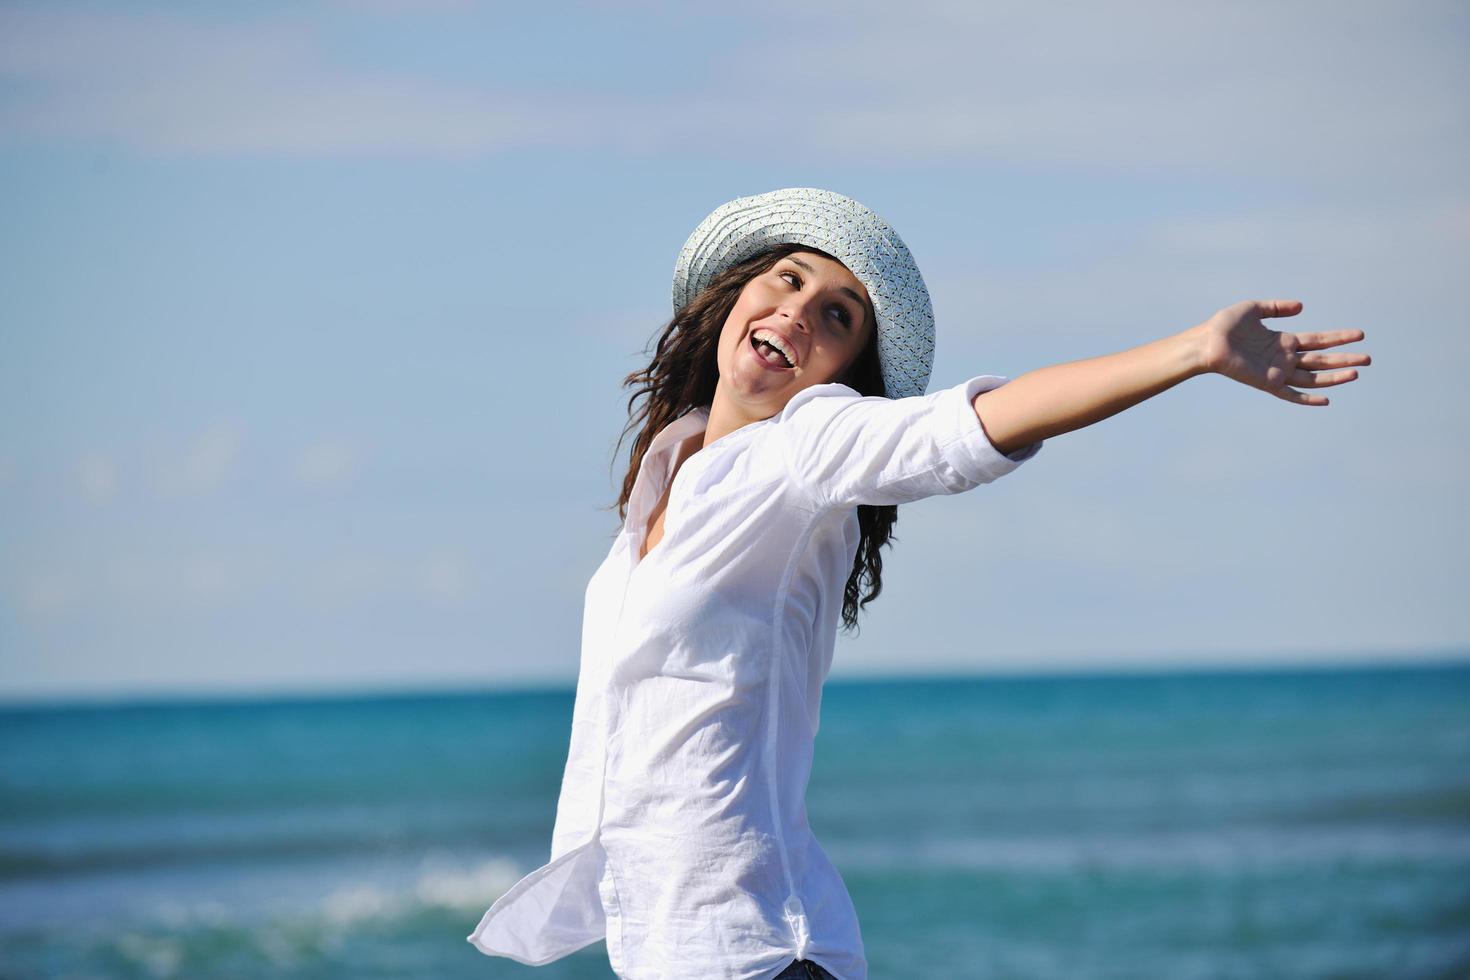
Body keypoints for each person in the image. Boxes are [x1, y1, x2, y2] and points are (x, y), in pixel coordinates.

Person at [466, 187, 1370, 979]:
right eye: (788, 279)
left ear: (847, 372)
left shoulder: (810, 443)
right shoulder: (667, 470)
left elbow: (976, 425)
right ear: (734, 294)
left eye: (839, 316)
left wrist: (1192, 351)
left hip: (757, 954)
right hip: (666, 952)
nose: (800, 312)